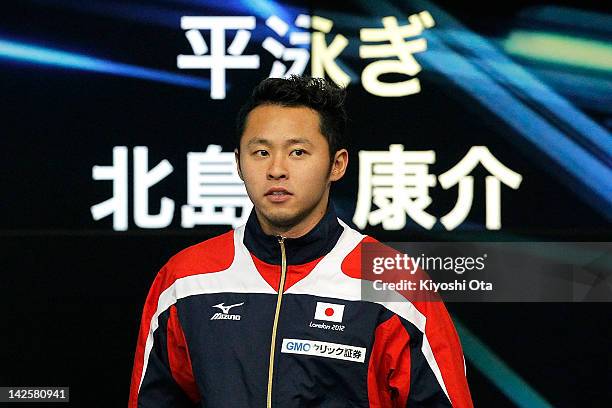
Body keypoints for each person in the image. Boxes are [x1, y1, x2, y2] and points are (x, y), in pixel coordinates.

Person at [128, 75, 473, 407]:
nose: (276, 169)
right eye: (260, 152)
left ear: (336, 165)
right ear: (238, 163)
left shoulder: (393, 282)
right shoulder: (186, 279)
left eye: (298, 153)